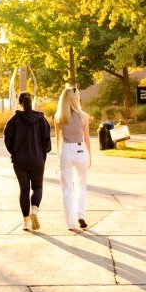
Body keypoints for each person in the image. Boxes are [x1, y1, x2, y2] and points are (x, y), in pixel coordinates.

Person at [3, 91, 52, 231]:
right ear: (32, 101)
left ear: (20, 102)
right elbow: (47, 142)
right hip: (37, 160)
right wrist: (43, 152)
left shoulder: (14, 120)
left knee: (24, 190)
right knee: (37, 187)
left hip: (20, 161)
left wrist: (14, 152)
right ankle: (34, 211)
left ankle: (26, 223)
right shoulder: (42, 120)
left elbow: (7, 139)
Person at [55, 86, 92, 231]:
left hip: (66, 150)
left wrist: (59, 156)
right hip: (81, 149)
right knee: (81, 185)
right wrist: (90, 156)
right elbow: (87, 138)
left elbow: (58, 139)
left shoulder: (59, 117)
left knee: (67, 188)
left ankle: (70, 223)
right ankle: (80, 214)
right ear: (76, 99)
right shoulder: (84, 116)